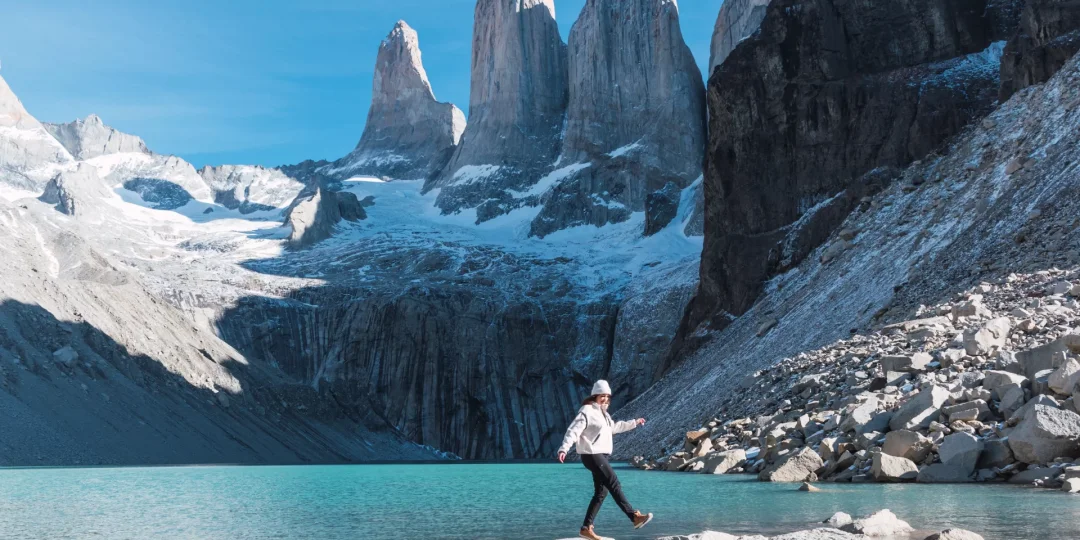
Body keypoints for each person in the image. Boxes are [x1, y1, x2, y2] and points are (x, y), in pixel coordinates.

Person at [557, 380, 652, 540]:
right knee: (614, 482)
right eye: (602, 396)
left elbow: (614, 428)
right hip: (591, 454)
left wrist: (634, 423)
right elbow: (573, 430)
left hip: (600, 455)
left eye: (608, 396)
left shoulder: (604, 414)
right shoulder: (587, 411)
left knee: (601, 492)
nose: (605, 399)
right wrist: (564, 448)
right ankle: (634, 517)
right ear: (595, 395)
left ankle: (586, 528)